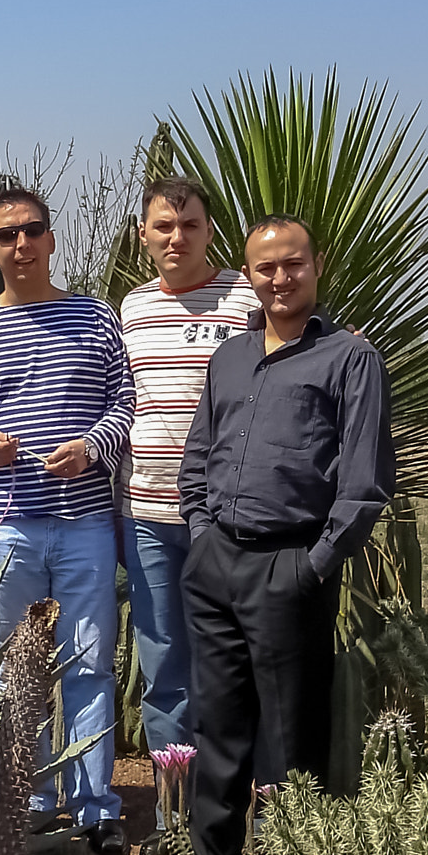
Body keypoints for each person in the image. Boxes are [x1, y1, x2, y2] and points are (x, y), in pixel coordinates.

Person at [144, 215, 394, 855]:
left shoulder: (350, 359)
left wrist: (312, 568)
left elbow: (364, 482)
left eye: (292, 265)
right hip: (217, 560)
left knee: (291, 738)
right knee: (219, 727)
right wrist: (199, 534)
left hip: (291, 564)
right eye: (265, 268)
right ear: (247, 274)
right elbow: (199, 455)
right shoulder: (230, 357)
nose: (279, 279)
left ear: (317, 267)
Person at [0, 184, 135, 855]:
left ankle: (95, 807)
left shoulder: (96, 319)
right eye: (7, 235)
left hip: (84, 525)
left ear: (50, 239)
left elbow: (124, 400)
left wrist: (94, 447)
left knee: (89, 664)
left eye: (32, 231)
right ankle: (32, 800)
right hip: (5, 526)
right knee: (19, 669)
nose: (21, 245)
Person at [118, 177, 260, 773]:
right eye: (165, 226)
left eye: (191, 225)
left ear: (209, 229)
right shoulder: (130, 308)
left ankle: (236, 806)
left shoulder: (246, 298)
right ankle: (173, 813)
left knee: (227, 658)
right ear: (144, 234)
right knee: (164, 661)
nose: (178, 237)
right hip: (147, 512)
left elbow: (301, 350)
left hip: (226, 515)